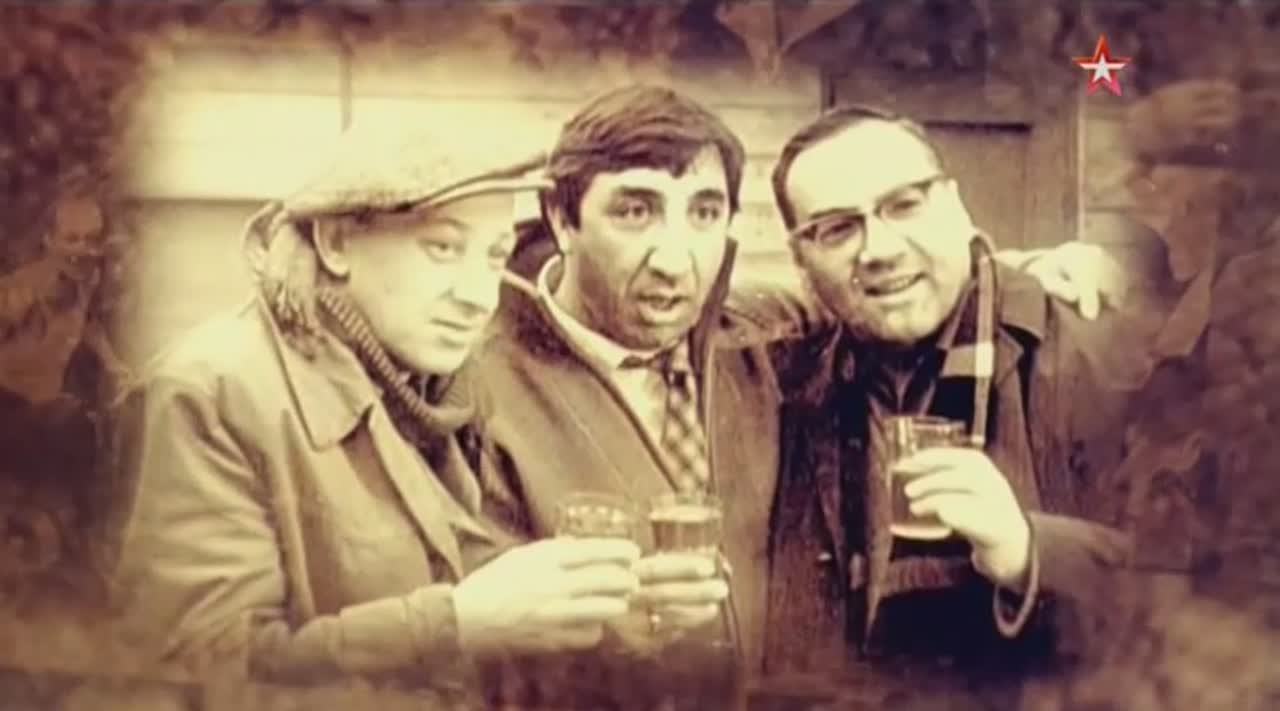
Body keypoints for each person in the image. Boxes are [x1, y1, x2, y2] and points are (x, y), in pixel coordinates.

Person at [475, 85, 1113, 707]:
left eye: (703, 212)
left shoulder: (764, 339)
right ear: (562, 219)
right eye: (634, 211)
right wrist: (601, 650)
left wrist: (1025, 270)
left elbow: (890, 283)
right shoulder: (475, 395)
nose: (673, 259)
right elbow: (455, 654)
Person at [109, 128, 643, 703]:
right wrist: (454, 624)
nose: (478, 297)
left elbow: (478, 591)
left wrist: (607, 611)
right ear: (336, 242)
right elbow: (198, 676)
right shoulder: (210, 393)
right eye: (442, 248)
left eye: (494, 256)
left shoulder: (434, 384)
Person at [762, 104, 1135, 709]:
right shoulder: (791, 376)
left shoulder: (1103, 352)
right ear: (801, 260)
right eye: (836, 228)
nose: (879, 249)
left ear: (957, 207)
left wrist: (1031, 553)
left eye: (903, 205)